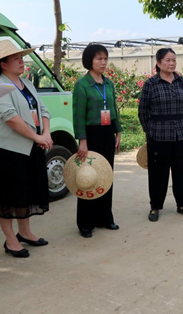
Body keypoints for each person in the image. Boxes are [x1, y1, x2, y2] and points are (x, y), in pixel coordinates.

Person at [0, 40, 52, 258]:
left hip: (32, 147)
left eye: (21, 58)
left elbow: (43, 109)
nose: (21, 62)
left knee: (27, 192)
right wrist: (37, 136)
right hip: (10, 151)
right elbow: (10, 118)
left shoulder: (26, 83)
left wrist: (46, 134)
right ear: (3, 64)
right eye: (16, 59)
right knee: (7, 197)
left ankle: (25, 232)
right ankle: (11, 240)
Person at [72, 44, 121, 238]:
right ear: (89, 61)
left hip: (107, 133)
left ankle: (104, 217)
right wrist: (82, 140)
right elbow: (78, 115)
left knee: (106, 175)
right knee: (87, 177)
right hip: (91, 135)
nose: (103, 62)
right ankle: (85, 222)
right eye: (99, 59)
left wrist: (118, 132)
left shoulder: (108, 84)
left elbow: (114, 110)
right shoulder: (82, 85)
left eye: (105, 58)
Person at [138, 48, 183, 222]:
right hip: (158, 136)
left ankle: (182, 204)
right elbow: (142, 111)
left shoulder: (181, 81)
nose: (172, 63)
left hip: (180, 134)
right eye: (168, 60)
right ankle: (155, 206)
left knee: (182, 171)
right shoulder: (151, 84)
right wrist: (150, 131)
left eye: (174, 60)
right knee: (158, 174)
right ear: (159, 63)